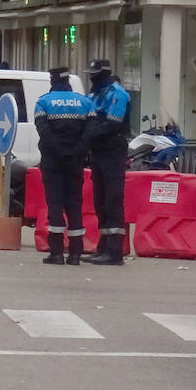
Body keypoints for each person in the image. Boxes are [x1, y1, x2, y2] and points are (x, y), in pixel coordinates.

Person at [33, 67, 97, 266]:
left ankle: (57, 252)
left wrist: (59, 152)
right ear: (68, 81)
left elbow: (44, 132)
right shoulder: (85, 103)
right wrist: (77, 151)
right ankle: (76, 253)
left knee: (55, 204)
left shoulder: (43, 102)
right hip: (75, 161)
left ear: (52, 81)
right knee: (74, 204)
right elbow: (91, 131)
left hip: (53, 162)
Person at [86, 59, 132, 265]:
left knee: (113, 199)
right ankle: (103, 246)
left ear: (104, 74)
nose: (91, 77)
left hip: (113, 151)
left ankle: (115, 252)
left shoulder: (118, 94)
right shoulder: (93, 94)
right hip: (98, 151)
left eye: (95, 74)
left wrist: (88, 135)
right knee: (100, 201)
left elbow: (112, 125)